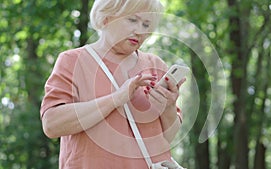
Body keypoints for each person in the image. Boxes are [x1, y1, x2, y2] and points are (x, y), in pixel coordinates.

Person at [40, 0, 185, 168]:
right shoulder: (72, 61)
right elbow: (52, 125)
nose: (140, 31)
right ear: (106, 18)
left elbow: (168, 137)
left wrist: (168, 107)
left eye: (146, 24)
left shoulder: (156, 65)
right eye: (132, 20)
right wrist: (117, 98)